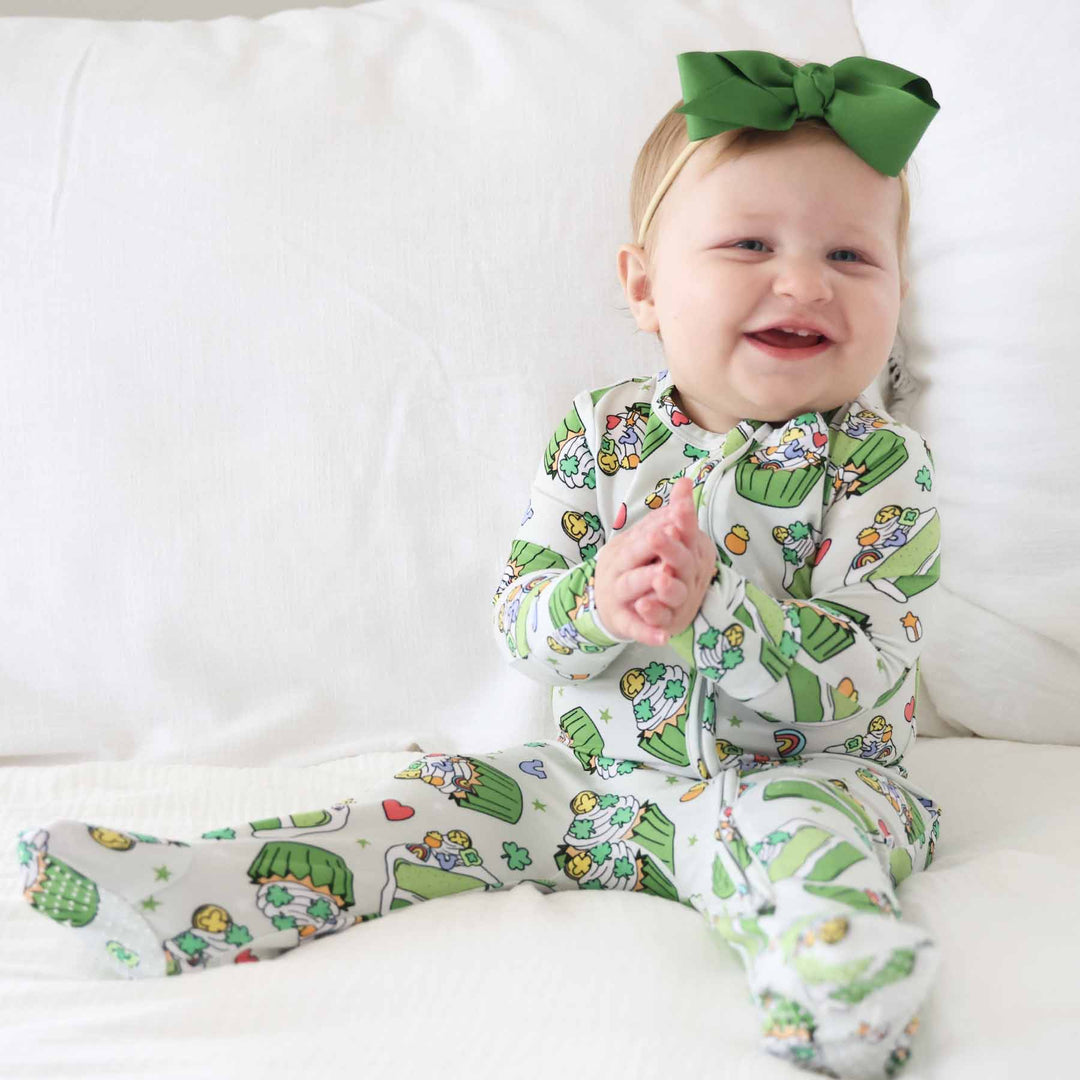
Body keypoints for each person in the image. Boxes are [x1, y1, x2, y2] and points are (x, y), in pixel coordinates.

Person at [16, 51, 943, 1080]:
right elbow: (520, 620)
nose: (805, 281)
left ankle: (843, 991)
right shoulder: (600, 439)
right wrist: (599, 603)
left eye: (853, 258)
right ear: (644, 287)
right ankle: (194, 892)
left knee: (807, 853)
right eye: (749, 244)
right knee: (441, 794)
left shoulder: (879, 467)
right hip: (601, 790)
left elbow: (871, 666)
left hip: (810, 781)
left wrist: (716, 614)